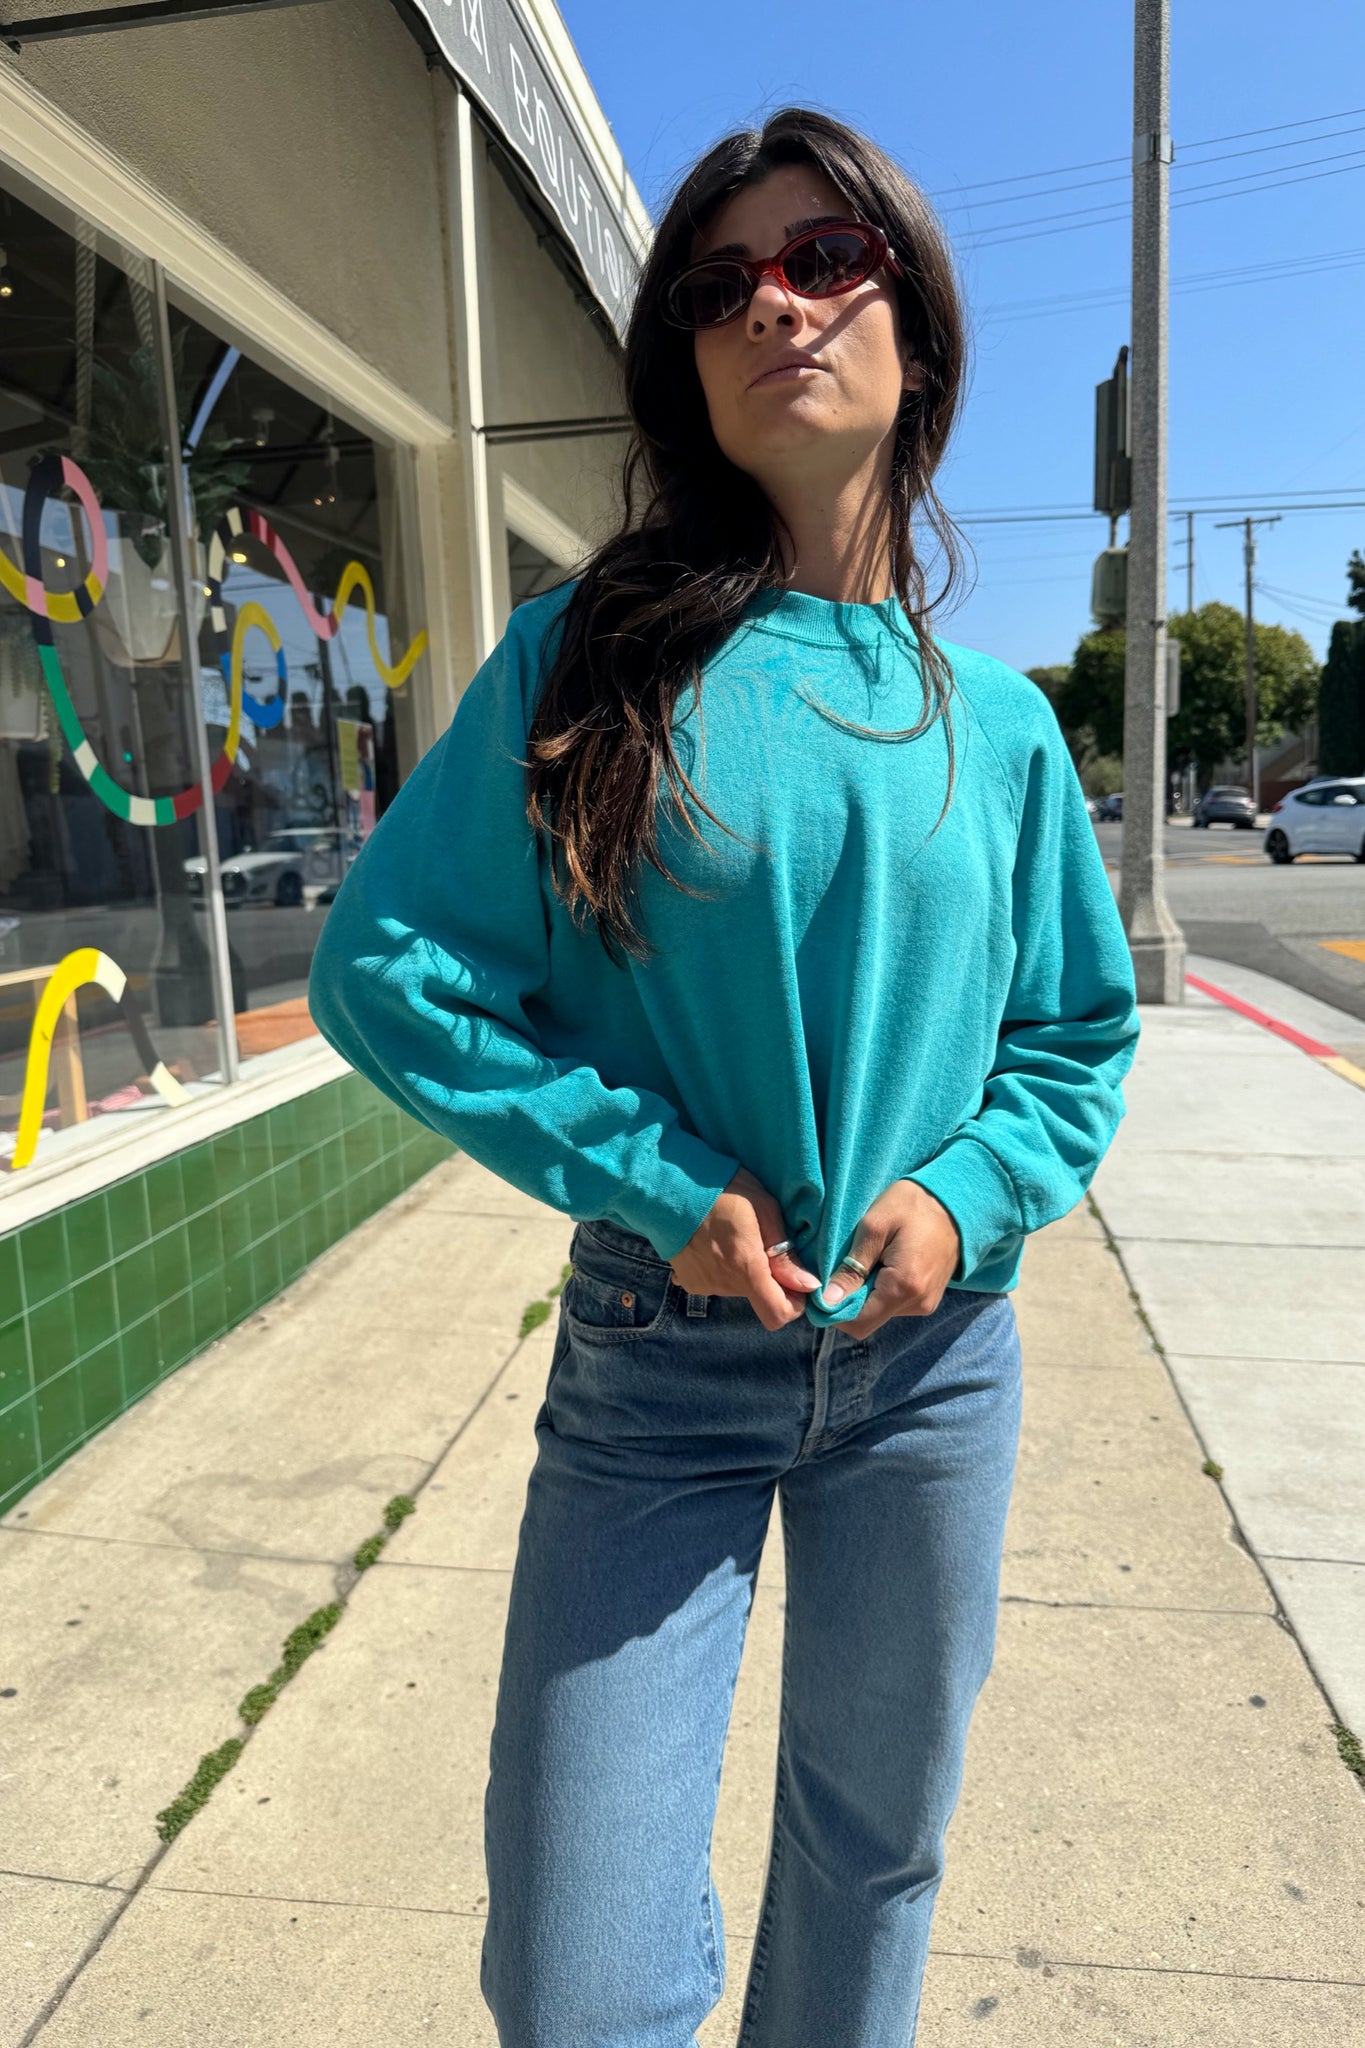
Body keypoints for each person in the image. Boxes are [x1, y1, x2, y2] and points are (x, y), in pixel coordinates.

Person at [309, 106, 1139, 2048]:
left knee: (872, 1855)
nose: (773, 303)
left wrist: (962, 1196)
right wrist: (652, 1178)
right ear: (684, 362)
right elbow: (390, 972)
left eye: (823, 258)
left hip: (931, 1373)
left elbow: (1070, 1037)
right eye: (716, 284)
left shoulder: (1000, 727)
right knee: (578, 1971)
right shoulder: (588, 662)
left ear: (914, 324)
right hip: (656, 1367)